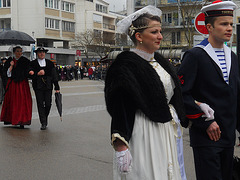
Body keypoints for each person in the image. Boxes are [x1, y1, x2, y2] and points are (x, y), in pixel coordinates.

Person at [104, 5, 188, 180]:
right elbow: (120, 105)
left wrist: (196, 105)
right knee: (147, 172)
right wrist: (121, 145)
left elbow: (172, 95)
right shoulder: (126, 65)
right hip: (143, 130)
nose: (159, 36)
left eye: (160, 31)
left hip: (164, 128)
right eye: (154, 32)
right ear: (139, 36)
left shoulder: (160, 61)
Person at [177, 1, 240, 179]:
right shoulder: (195, 55)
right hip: (206, 137)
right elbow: (180, 93)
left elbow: (236, 96)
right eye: (224, 24)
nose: (229, 28)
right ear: (209, 27)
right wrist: (205, 122)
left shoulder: (233, 57)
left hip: (228, 138)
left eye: (231, 24)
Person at [0, 46, 32, 128]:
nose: (19, 53)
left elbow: (28, 70)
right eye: (17, 51)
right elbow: (6, 74)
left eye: (20, 51)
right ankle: (12, 119)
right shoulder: (9, 61)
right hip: (13, 84)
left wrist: (30, 72)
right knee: (13, 102)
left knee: (22, 102)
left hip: (22, 84)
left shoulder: (25, 61)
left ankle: (22, 120)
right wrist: (11, 66)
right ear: (14, 52)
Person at [29, 47, 60, 130]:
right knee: (40, 104)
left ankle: (44, 117)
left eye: (43, 52)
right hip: (38, 86)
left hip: (48, 86)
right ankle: (43, 122)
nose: (42, 54)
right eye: (40, 52)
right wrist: (36, 73)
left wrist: (57, 87)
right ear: (37, 54)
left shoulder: (50, 63)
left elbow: (54, 76)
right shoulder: (33, 63)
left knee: (48, 104)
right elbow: (30, 74)